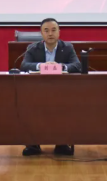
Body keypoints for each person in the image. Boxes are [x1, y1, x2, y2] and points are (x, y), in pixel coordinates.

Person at [21, 18, 81, 157]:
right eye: (46, 30)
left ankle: (62, 143)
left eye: (54, 30)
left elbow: (77, 65)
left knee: (63, 108)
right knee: (31, 107)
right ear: (41, 33)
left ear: (59, 32)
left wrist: (60, 67)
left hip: (62, 90)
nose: (50, 34)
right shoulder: (32, 48)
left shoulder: (67, 47)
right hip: (36, 90)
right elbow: (24, 65)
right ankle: (33, 144)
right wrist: (41, 66)